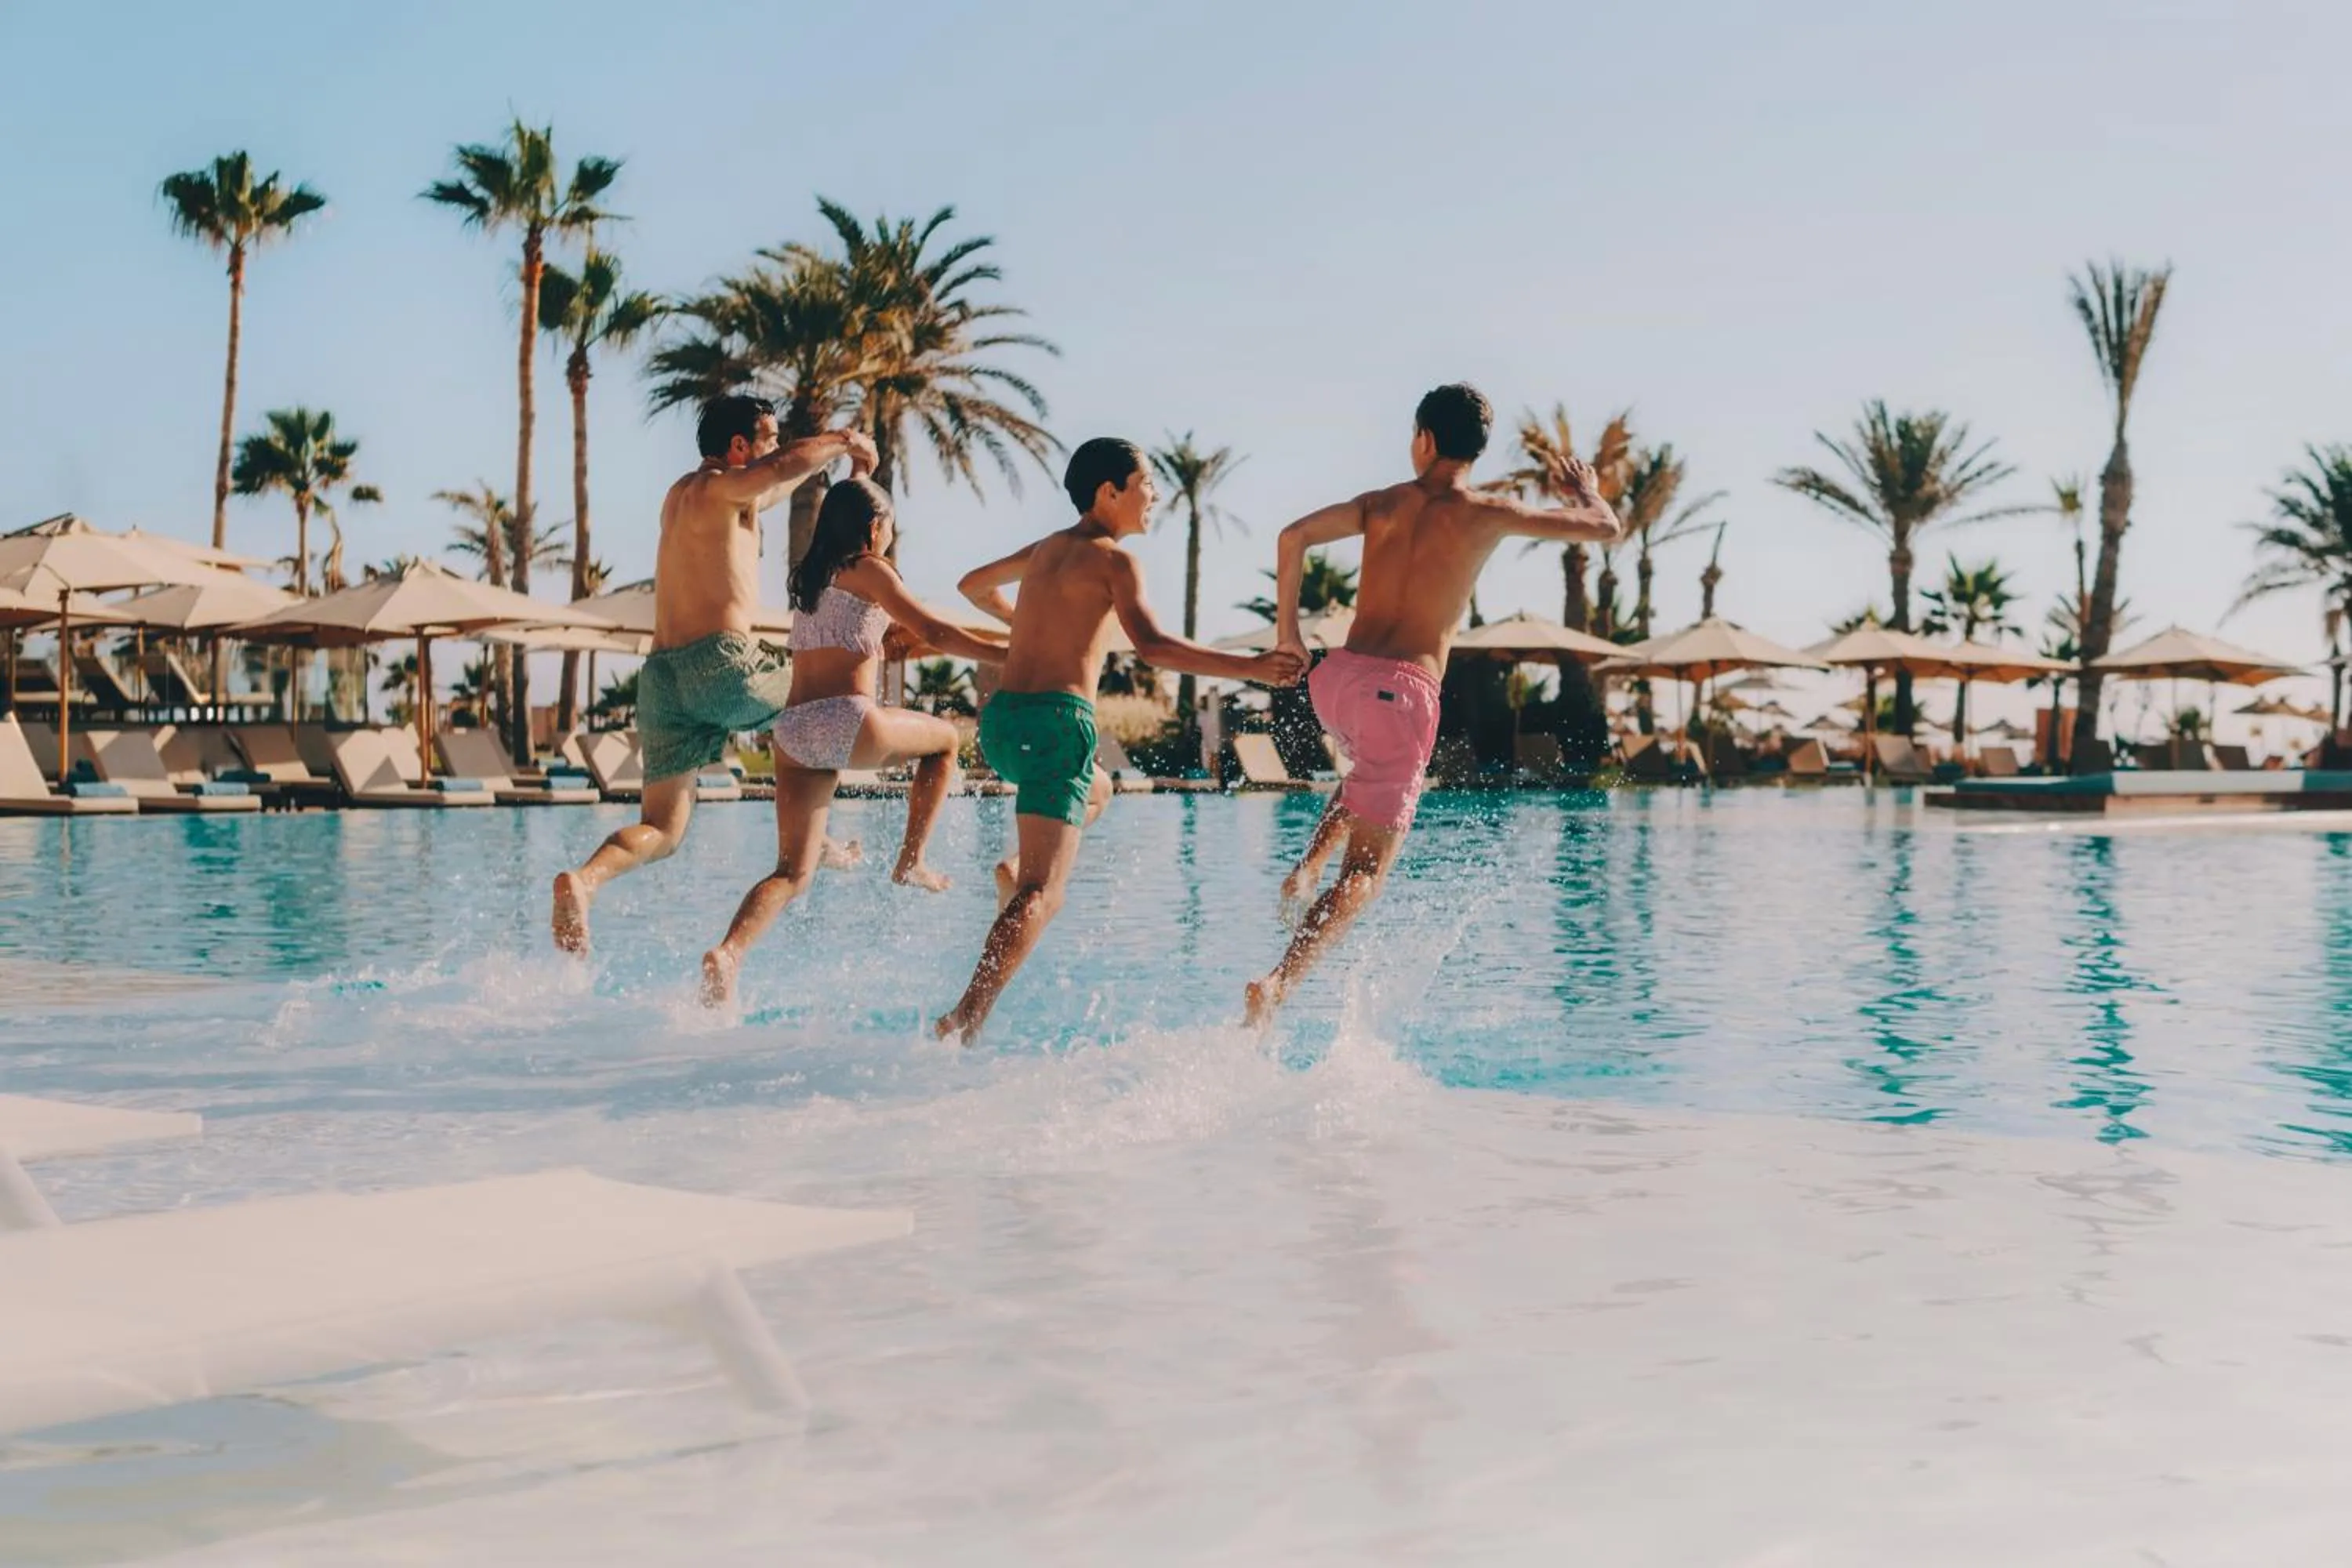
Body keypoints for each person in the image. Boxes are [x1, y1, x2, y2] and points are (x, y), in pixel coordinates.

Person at [1243, 383, 1624, 1025]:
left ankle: (1304, 868)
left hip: (1336, 681)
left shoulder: (1382, 503)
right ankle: (1279, 983)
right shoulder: (1487, 512)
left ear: (1423, 439)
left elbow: (1292, 536)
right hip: (1402, 692)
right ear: (1474, 451)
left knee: (1369, 767)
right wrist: (1584, 491)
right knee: (1365, 873)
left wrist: (1289, 636)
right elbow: (1606, 529)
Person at [933, 437, 1307, 1042]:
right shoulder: (1114, 561)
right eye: (1147, 483)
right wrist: (1252, 668)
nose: (1154, 495)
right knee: (1044, 894)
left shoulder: (1047, 549)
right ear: (1111, 492)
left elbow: (972, 585)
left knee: (1099, 788)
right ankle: (966, 1015)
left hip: (1002, 724)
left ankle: (1012, 870)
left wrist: (1035, 618)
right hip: (1057, 724)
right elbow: (1156, 648)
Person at [552, 394, 876, 954]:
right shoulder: (720, 487)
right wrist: (847, 440)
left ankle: (585, 880)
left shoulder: (684, 498)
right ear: (739, 447)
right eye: (769, 437)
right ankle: (814, 842)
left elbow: (776, 484)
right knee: (821, 700)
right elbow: (777, 471)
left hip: (662, 679)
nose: (776, 448)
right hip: (720, 664)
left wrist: (838, 472)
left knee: (663, 829)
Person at [699, 478, 1010, 1005]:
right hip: (847, 719)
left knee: (791, 873)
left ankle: (729, 953)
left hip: (793, 730)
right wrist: (1010, 654)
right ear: (874, 528)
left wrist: (865, 465)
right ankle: (911, 862)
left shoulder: (814, 579)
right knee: (946, 742)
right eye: (889, 526)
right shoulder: (872, 568)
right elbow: (933, 630)